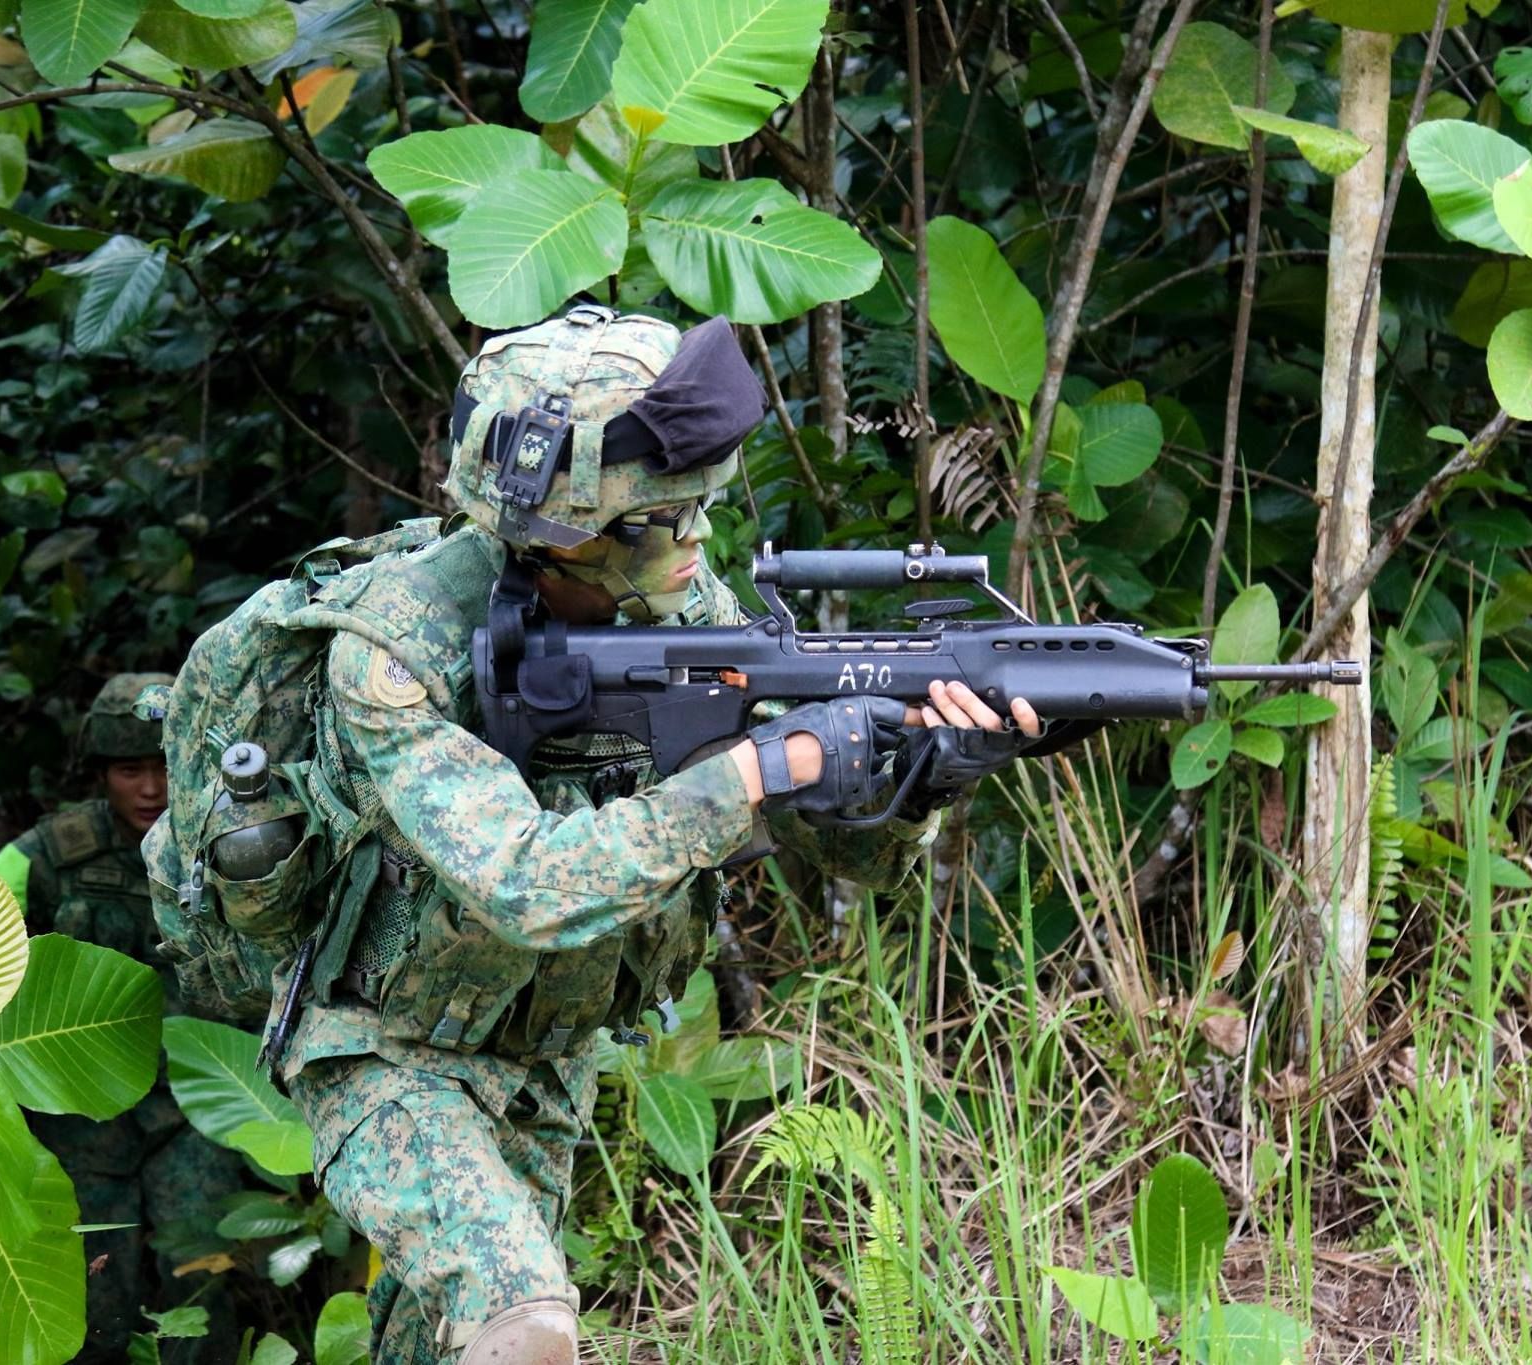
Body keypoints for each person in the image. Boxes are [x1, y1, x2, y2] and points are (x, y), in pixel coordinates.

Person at [229, 306, 1041, 1364]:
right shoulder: (392, 651)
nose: (701, 538)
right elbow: (527, 884)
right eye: (671, 516)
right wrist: (757, 770)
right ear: (571, 532)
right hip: (387, 1050)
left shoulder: (677, 605)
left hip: (543, 1055)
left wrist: (918, 779)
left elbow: (834, 858)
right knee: (524, 1326)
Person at [0, 673, 244, 1363]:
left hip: (193, 1106)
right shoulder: (44, 857)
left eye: (165, 766)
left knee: (202, 1279)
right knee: (90, 1292)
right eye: (131, 770)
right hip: (81, 1113)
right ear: (100, 772)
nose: (152, 789)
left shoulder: (234, 841)